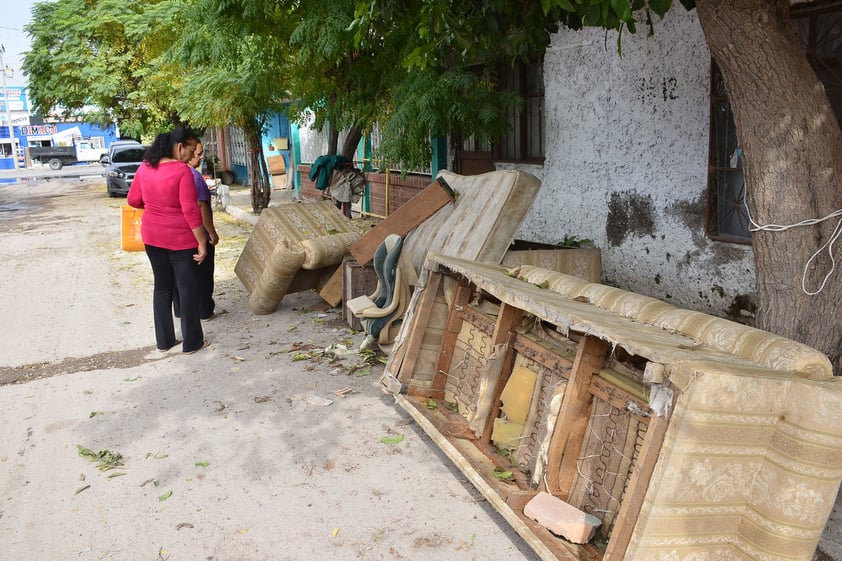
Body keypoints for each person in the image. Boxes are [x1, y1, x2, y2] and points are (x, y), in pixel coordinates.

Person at [127, 126, 209, 354]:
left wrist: (155, 207)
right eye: (192, 150)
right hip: (180, 239)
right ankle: (192, 342)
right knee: (187, 288)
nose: (193, 156)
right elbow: (191, 211)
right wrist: (202, 242)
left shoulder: (145, 168)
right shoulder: (181, 171)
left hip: (152, 237)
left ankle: (164, 342)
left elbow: (133, 200)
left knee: (162, 288)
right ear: (179, 147)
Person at [174, 141, 218, 320]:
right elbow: (201, 206)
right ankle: (204, 310)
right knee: (203, 276)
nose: (199, 158)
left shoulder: (175, 174)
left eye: (200, 154)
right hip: (199, 233)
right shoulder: (194, 177)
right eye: (197, 153)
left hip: (181, 234)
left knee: (182, 277)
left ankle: (181, 310)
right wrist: (211, 233)